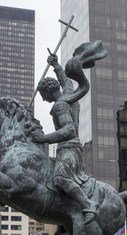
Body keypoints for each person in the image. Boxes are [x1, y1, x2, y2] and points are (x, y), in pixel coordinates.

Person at [34, 52, 97, 223]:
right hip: (73, 148)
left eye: (43, 95)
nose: (43, 100)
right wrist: (56, 66)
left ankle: (88, 204)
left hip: (69, 148)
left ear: (48, 91)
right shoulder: (67, 95)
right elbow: (66, 81)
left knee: (59, 178)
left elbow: (68, 130)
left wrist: (44, 138)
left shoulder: (60, 106)